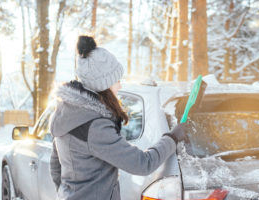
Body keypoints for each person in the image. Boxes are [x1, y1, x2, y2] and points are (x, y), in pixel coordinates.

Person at [49, 35, 186, 200]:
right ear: (103, 85)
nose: (120, 85)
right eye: (116, 80)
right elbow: (142, 164)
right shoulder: (95, 126)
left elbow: (56, 168)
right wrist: (172, 137)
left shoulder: (67, 114)